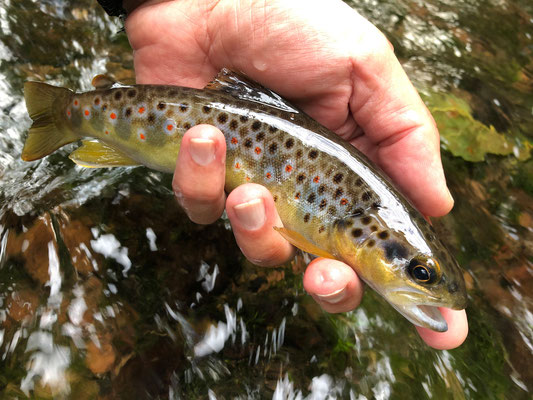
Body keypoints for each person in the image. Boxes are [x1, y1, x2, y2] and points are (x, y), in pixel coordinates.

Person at [102, 0, 468, 349]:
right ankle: (77, 117)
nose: (423, 283)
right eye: (420, 274)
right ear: (367, 231)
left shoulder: (356, 221)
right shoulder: (349, 222)